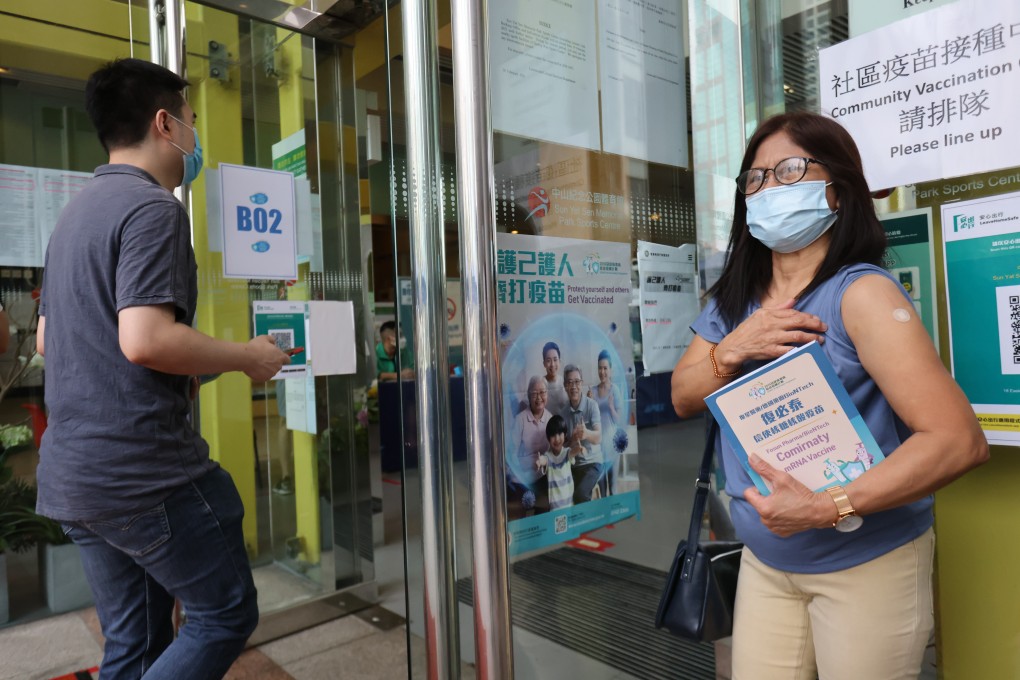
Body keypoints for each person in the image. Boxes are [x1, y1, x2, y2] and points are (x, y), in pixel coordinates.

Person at [670, 111, 988, 680]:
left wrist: (825, 507)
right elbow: (683, 396)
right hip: (767, 561)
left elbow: (958, 441)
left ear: (837, 190)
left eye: (792, 169)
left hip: (866, 562)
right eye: (756, 178)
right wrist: (732, 348)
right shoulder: (732, 301)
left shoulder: (859, 294)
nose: (769, 187)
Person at [34, 58, 290, 680]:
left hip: (76, 479)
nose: (195, 137)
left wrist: (196, 369)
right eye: (193, 121)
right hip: (143, 477)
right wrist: (247, 357)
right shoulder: (153, 209)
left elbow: (50, 340)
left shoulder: (75, 214)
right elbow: (145, 340)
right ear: (164, 123)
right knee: (223, 615)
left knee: (135, 643)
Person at [507, 375, 552, 515]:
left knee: (545, 506)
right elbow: (511, 452)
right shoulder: (520, 420)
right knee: (520, 509)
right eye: (534, 393)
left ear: (547, 394)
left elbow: (551, 452)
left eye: (542, 392)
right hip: (521, 477)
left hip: (540, 476)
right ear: (528, 396)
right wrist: (523, 469)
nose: (539, 397)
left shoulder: (550, 418)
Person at [560, 364, 603, 503]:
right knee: (561, 495)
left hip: (592, 463)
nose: (574, 386)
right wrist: (571, 441)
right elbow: (563, 446)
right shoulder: (563, 413)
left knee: (580, 495)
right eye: (570, 382)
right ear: (565, 385)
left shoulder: (592, 406)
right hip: (573, 465)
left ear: (582, 383)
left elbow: (598, 437)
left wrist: (586, 434)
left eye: (577, 382)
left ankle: (587, 523)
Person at [589, 349, 623, 493]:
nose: (602, 372)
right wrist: (589, 402)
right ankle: (605, 515)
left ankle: (614, 514)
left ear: (610, 370)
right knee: (601, 489)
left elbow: (619, 420)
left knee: (613, 488)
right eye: (600, 368)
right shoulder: (593, 391)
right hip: (598, 449)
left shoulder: (614, 390)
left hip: (612, 446)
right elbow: (588, 421)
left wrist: (610, 406)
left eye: (605, 368)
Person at [535, 415, 576, 510]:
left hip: (568, 503)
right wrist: (539, 461)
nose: (557, 439)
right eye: (553, 435)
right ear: (548, 438)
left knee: (568, 524)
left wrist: (579, 448)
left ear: (565, 435)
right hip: (554, 507)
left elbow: (573, 452)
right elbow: (544, 459)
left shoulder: (567, 452)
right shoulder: (548, 456)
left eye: (560, 433)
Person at [540, 341, 569, 416]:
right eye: (548, 360)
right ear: (544, 364)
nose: (552, 364)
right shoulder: (540, 384)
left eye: (555, 360)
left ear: (559, 361)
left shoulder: (566, 382)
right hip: (546, 426)